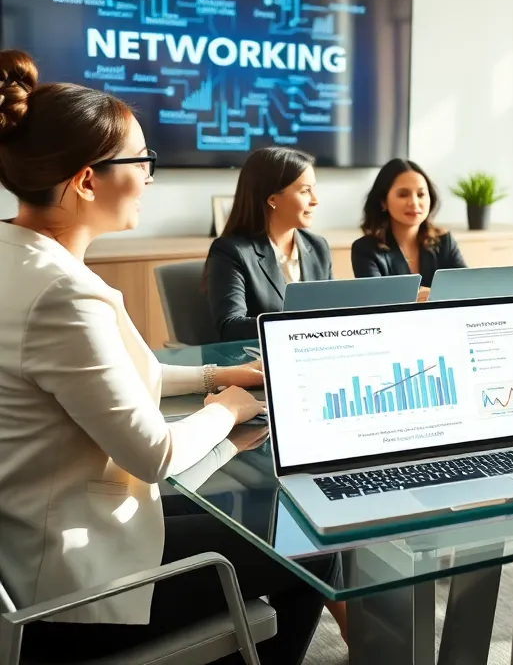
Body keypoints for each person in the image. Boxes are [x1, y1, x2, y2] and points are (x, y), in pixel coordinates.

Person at [0, 49, 334, 664]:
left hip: (28, 537)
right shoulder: (63, 294)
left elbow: (129, 376)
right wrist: (229, 410)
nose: (151, 176)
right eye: (143, 160)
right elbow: (153, 455)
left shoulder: (19, 256)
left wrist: (216, 374)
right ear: (86, 179)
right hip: (71, 587)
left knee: (256, 523)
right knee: (308, 545)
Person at [206, 147, 331, 341]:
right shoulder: (231, 251)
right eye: (305, 191)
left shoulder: (317, 246)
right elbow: (231, 326)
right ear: (272, 199)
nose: (316, 200)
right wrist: (302, 326)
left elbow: (334, 309)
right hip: (259, 362)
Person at [351, 158, 466, 297]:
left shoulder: (444, 242)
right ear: (383, 202)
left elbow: (465, 290)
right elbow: (378, 301)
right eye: (403, 194)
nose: (414, 202)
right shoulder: (366, 250)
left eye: (421, 194)